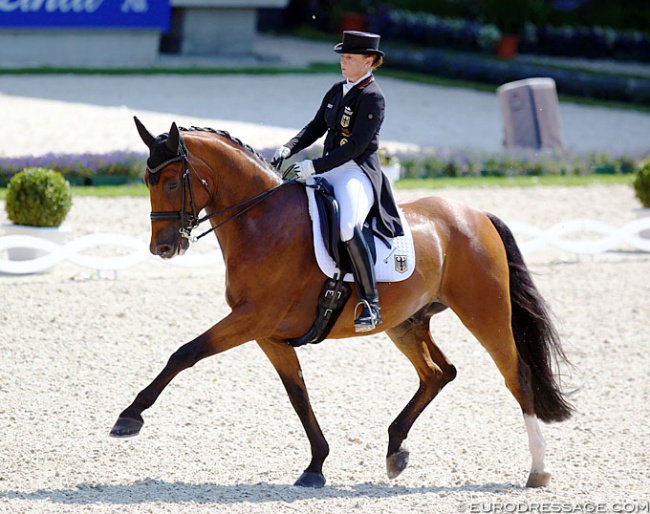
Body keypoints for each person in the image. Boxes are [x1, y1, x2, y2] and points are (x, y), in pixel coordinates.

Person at [273, 30, 404, 333]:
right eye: (343, 57)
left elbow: (357, 146)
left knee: (348, 226)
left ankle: (370, 302)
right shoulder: (337, 89)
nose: (343, 62)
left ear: (369, 61)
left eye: (349, 57)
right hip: (327, 166)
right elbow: (316, 126)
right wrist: (289, 147)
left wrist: (314, 166)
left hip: (356, 171)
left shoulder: (373, 97)